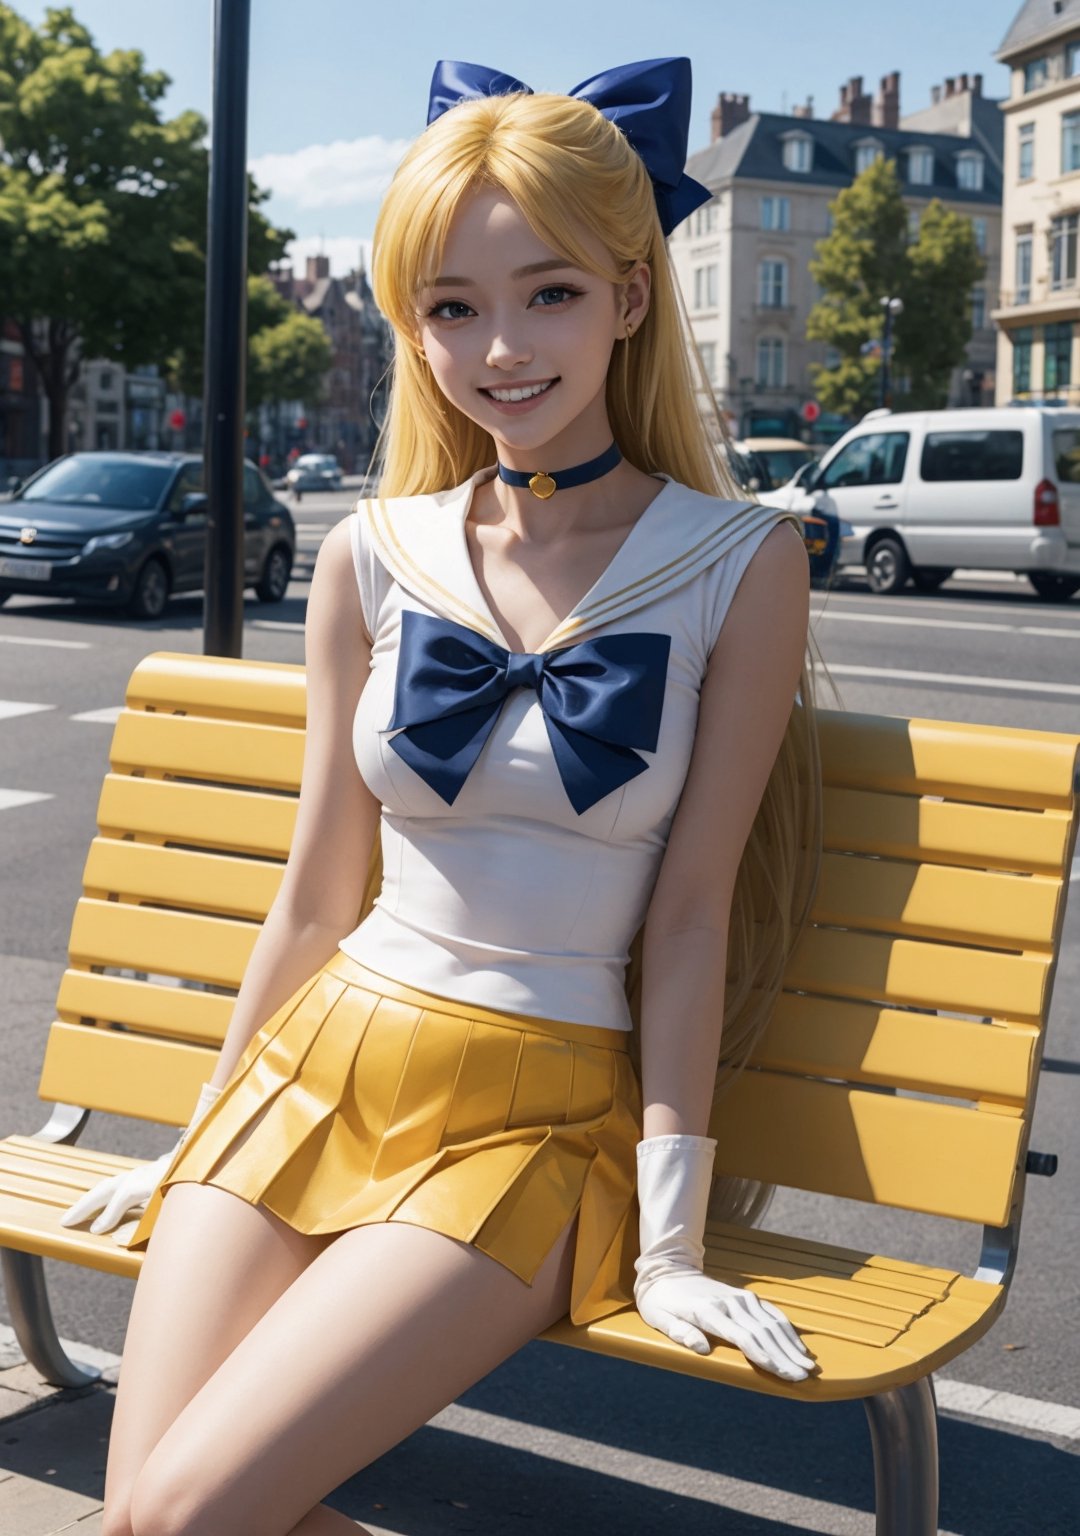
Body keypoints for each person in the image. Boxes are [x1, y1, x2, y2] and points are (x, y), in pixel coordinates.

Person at [62, 56, 826, 1536]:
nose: (498, 349)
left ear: (628, 294)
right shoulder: (369, 552)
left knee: (180, 1519)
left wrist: (668, 1239)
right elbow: (312, 894)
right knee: (153, 1522)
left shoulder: (741, 561)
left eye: (546, 293)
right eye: (451, 307)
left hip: (535, 1120)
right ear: (413, 329)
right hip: (314, 1071)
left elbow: (687, 919)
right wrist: (194, 1128)